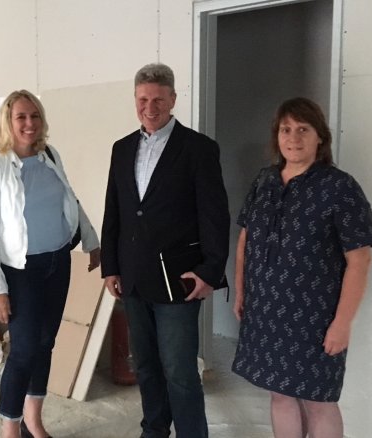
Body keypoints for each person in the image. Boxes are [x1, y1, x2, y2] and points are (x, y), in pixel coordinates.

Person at [231, 97, 372, 438]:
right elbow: (245, 239)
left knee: (318, 400)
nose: (293, 138)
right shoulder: (265, 181)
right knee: (279, 394)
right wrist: (241, 290)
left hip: (315, 317)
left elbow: (360, 259)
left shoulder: (340, 188)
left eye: (303, 129)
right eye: (286, 129)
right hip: (265, 311)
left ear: (319, 137)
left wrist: (342, 324)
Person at [101, 63, 230, 438]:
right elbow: (115, 211)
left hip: (179, 279)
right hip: (133, 278)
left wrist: (209, 271)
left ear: (173, 99)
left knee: (180, 371)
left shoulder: (198, 149)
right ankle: (154, 430)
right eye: (143, 99)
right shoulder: (122, 149)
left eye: (158, 99)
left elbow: (215, 216)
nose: (150, 107)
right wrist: (111, 266)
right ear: (135, 100)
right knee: (145, 366)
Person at [0, 90, 101, 438]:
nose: (30, 123)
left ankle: (33, 421)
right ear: (8, 122)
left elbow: (70, 199)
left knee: (46, 344)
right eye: (21, 117)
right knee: (25, 349)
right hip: (21, 272)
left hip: (57, 262)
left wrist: (91, 240)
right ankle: (10, 429)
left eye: (35, 116)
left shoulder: (50, 156)